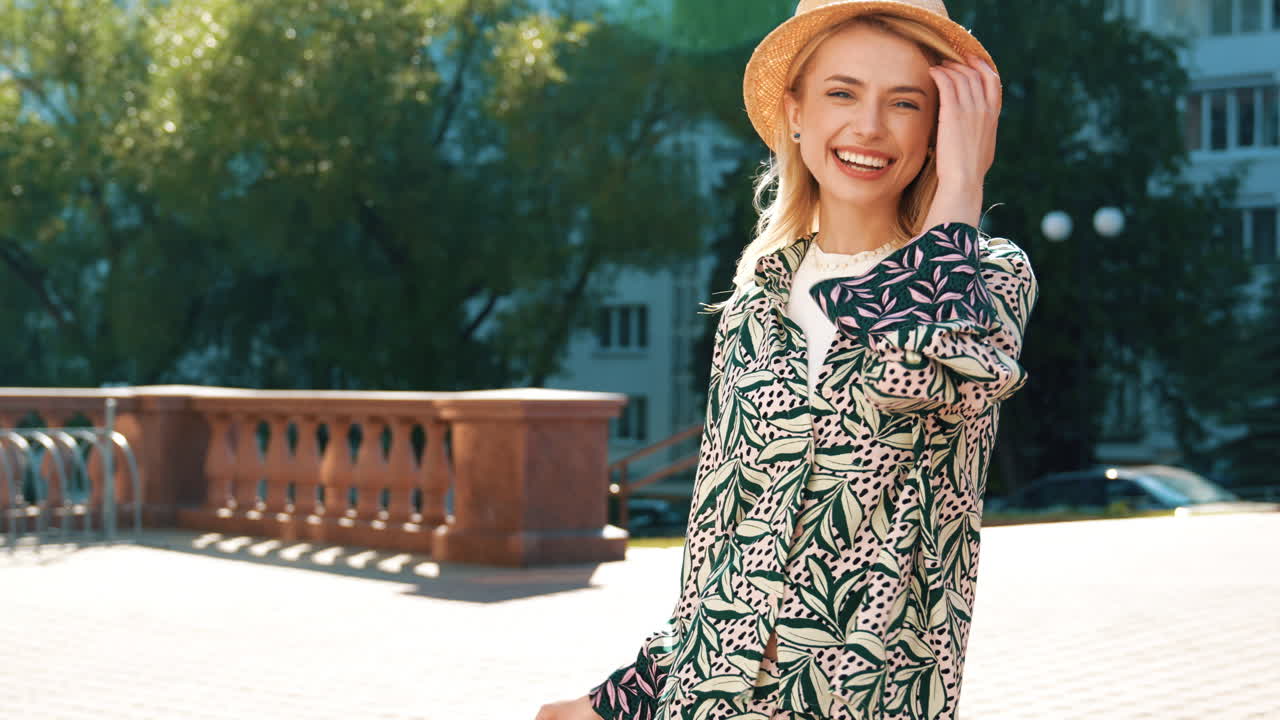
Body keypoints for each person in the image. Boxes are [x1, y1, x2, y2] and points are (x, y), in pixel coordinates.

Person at [538, 0, 1038, 718]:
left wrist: (960, 189)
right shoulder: (755, 305)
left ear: (940, 129)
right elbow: (719, 560)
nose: (868, 127)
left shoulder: (985, 278)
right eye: (842, 93)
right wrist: (618, 698)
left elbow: (920, 371)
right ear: (794, 111)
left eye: (905, 103)